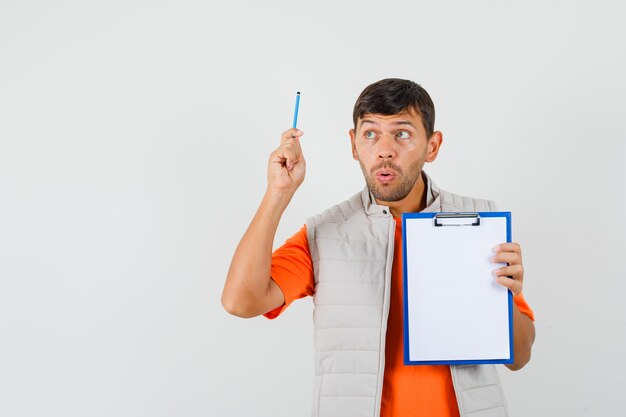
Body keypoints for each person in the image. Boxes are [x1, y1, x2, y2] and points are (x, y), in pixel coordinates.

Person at [221, 78, 536, 417]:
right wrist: (278, 193)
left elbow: (520, 357)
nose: (384, 150)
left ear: (432, 146)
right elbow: (241, 301)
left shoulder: (477, 225)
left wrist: (498, 300)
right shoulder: (325, 234)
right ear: (354, 145)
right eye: (370, 134)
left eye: (402, 133)